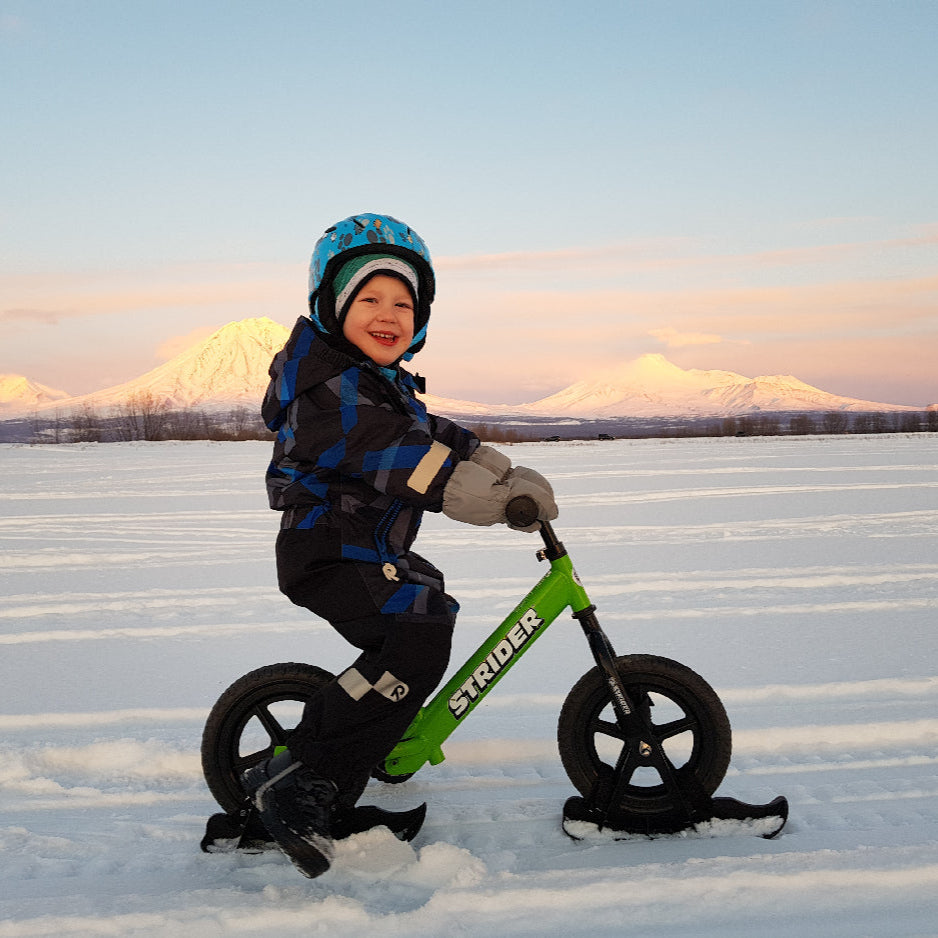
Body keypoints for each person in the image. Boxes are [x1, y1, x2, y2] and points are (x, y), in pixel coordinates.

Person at [241, 213, 557, 878]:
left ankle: (355, 750)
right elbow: (400, 456)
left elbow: (434, 431)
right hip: (328, 550)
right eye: (369, 299)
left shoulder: (374, 383)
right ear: (332, 307)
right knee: (413, 639)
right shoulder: (330, 392)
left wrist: (498, 465)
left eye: (403, 304)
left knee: (428, 610)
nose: (388, 315)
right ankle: (302, 784)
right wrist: (483, 497)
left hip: (362, 545)